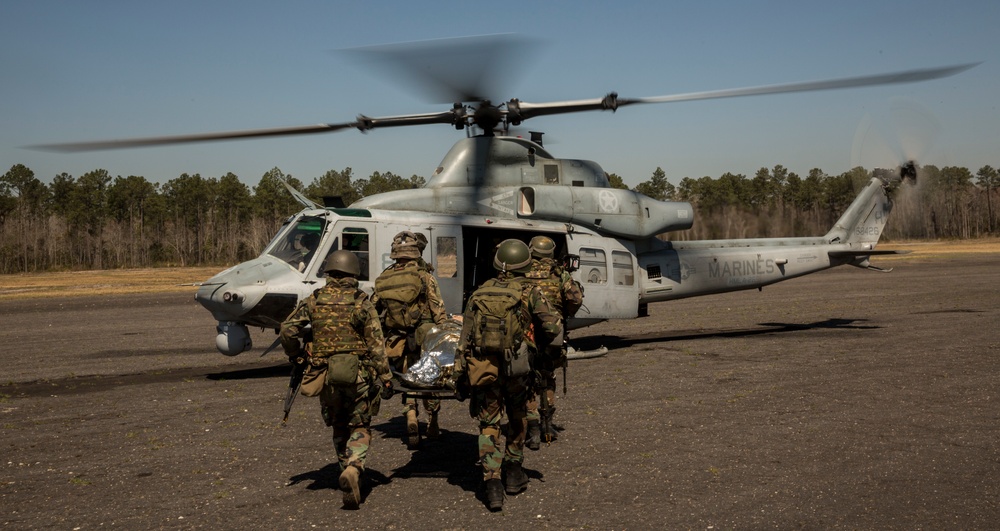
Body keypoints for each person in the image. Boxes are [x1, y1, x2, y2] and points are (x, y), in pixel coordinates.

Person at [451, 239, 563, 511]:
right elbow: (553, 327)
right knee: (517, 416)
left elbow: (464, 336)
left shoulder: (480, 292)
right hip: (518, 369)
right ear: (525, 263)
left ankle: (491, 483)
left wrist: (459, 374)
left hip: (484, 368)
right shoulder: (530, 292)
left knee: (489, 422)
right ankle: (513, 472)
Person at [279, 250, 393, 509]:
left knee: (339, 425)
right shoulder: (361, 301)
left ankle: (345, 469)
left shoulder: (315, 300)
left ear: (329, 272)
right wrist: (385, 377)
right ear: (354, 273)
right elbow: (376, 345)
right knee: (361, 424)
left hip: (326, 376)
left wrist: (296, 354)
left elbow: (287, 328)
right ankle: (354, 467)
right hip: (359, 376)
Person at [372, 231, 448, 448]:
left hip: (398, 339)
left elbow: (375, 308)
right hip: (424, 335)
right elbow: (438, 308)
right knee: (430, 377)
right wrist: (444, 332)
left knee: (407, 377)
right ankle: (432, 420)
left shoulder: (384, 278)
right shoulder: (424, 277)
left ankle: (411, 416)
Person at [523, 235, 584, 449]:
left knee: (529, 379)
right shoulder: (560, 274)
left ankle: (531, 431)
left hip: (527, 334)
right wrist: (563, 314)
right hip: (552, 334)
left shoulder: (522, 271)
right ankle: (547, 426)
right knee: (548, 377)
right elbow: (575, 299)